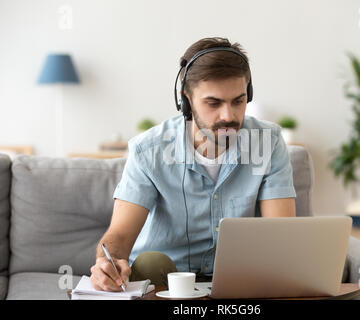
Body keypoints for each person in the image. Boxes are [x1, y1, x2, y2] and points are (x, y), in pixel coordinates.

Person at [90, 37, 296, 292]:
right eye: (213, 103)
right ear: (185, 100)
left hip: (238, 280)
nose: (228, 116)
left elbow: (281, 236)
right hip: (164, 279)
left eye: (238, 101)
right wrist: (106, 263)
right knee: (151, 262)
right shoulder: (148, 151)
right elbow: (119, 237)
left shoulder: (268, 142)